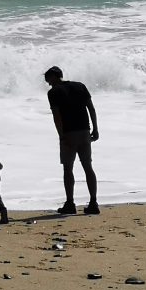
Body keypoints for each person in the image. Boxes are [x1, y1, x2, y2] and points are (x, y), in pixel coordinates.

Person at [44, 65, 100, 215]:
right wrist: (95, 128)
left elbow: (57, 117)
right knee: (88, 166)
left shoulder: (53, 92)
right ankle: (93, 202)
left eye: (48, 79)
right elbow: (91, 108)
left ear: (55, 76)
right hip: (84, 131)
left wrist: (61, 136)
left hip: (69, 133)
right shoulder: (80, 86)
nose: (48, 83)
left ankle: (70, 203)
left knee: (68, 168)